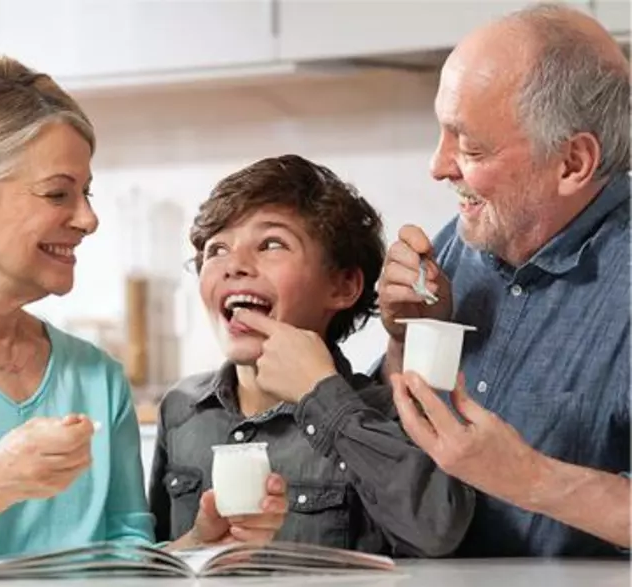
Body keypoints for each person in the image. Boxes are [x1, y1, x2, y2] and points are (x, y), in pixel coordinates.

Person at [0, 55, 286, 568]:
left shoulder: (95, 377)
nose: (88, 219)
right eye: (58, 193)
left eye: (85, 193)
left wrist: (201, 550)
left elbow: (121, 565)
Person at [375, 4, 630, 556]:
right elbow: (396, 451)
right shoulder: (461, 239)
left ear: (572, 163)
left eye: (469, 147)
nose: (438, 167)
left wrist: (531, 479)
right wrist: (403, 338)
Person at [149, 154, 474, 557]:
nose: (233, 265)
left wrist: (323, 397)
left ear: (343, 286)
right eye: (216, 250)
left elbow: (437, 531)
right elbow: (158, 564)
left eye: (271, 244)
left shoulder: (387, 412)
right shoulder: (181, 409)